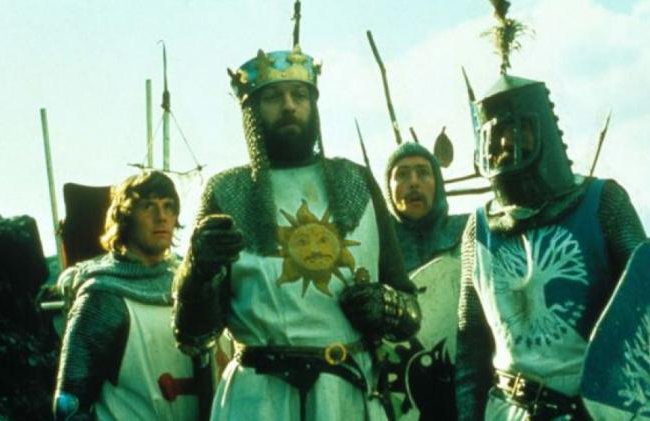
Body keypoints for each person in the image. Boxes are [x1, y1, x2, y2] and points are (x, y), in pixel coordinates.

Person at [172, 44, 421, 421]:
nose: (288, 105)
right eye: (273, 97)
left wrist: (385, 307)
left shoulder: (356, 181)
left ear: (314, 104)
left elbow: (410, 309)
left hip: (347, 396)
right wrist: (197, 273)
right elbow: (194, 339)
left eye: (299, 95)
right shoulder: (227, 192)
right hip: (258, 402)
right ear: (251, 110)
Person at [454, 70, 649, 420]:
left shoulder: (602, 203)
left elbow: (649, 316)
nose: (505, 143)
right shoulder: (479, 228)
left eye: (517, 129)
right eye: (496, 133)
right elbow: (471, 346)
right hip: (506, 411)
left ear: (542, 128)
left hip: (592, 410)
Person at [53, 171, 206, 420]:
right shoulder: (103, 297)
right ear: (125, 218)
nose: (161, 216)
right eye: (149, 206)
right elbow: (70, 403)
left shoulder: (187, 290)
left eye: (168, 206)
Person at [382, 142, 467, 420]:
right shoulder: (374, 248)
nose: (414, 182)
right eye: (402, 174)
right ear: (388, 188)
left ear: (437, 182)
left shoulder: (470, 233)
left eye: (423, 172)